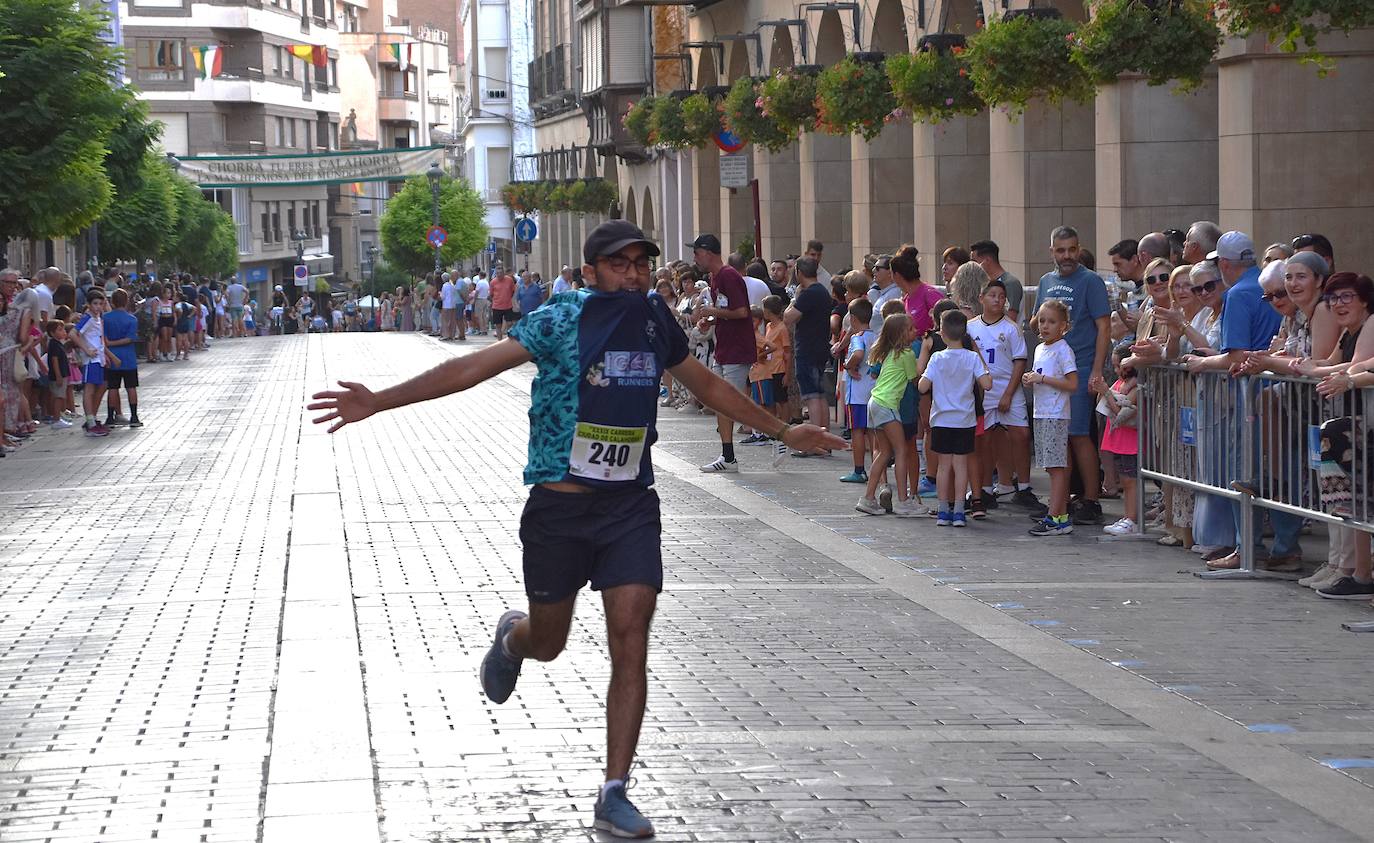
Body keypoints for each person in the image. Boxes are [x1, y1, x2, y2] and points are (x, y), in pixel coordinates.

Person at [307, 220, 843, 839]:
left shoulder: (655, 319)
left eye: (641, 264)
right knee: (550, 640)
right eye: (619, 264)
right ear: (591, 272)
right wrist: (380, 400)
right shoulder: (561, 318)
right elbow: (473, 366)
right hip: (560, 510)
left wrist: (783, 430)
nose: (634, 275)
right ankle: (514, 641)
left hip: (629, 507)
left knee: (631, 635)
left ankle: (614, 791)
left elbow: (705, 383)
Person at [1035, 226, 1110, 525]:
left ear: (1079, 249)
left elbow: (1103, 327)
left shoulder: (1091, 281)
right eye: (1061, 250)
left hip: (1079, 367)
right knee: (1059, 437)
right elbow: (1037, 319)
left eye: (1072, 249)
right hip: (1049, 375)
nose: (1067, 255)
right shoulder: (1045, 281)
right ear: (1052, 251)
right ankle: (1060, 501)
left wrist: (1096, 370)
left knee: (1078, 434)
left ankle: (1091, 499)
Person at [919, 309, 993, 527]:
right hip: (965, 420)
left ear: (942, 333)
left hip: (941, 419)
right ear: (965, 333)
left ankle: (943, 511)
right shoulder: (972, 358)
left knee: (943, 466)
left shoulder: (936, 358)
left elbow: (922, 386)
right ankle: (960, 511)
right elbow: (987, 384)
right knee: (961, 466)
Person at [690, 234, 757, 473]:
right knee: (722, 402)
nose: (695, 258)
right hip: (725, 349)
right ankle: (727, 456)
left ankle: (777, 435)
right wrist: (711, 320)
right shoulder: (716, 277)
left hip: (736, 350)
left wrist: (713, 313)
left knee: (732, 403)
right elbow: (727, 311)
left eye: (696, 253)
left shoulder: (728, 275)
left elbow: (741, 312)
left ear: (708, 253)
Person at [968, 278, 1033, 507]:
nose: (997, 300)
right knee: (983, 439)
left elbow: (1019, 361)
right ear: (981, 298)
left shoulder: (1011, 328)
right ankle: (985, 489)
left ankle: (1023, 488)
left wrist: (1008, 394)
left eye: (1002, 296)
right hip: (983, 392)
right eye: (992, 295)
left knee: (1021, 435)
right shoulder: (970, 327)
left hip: (1008, 388)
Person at [857, 313, 920, 516]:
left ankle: (868, 498)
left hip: (875, 402)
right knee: (901, 451)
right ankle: (903, 501)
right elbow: (915, 379)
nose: (916, 331)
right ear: (901, 333)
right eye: (911, 329)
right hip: (888, 405)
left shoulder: (891, 352)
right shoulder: (907, 354)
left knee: (884, 452)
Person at [1025, 299, 1078, 536]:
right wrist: (1032, 378)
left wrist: (1043, 379)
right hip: (1041, 412)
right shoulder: (1040, 349)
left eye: (1052, 322)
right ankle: (1059, 515)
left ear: (1063, 326)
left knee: (1056, 467)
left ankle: (1055, 516)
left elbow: (1072, 383)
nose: (1045, 326)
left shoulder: (1063, 350)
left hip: (1055, 414)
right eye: (1042, 321)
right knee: (1050, 466)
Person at [783, 257, 834, 458]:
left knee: (811, 396)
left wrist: (794, 298)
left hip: (807, 349)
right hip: (820, 347)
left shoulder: (808, 294)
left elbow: (788, 318)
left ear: (799, 272)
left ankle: (813, 443)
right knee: (820, 395)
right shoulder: (822, 291)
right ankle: (825, 441)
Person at [1095, 345, 1140, 535]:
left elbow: (1121, 413)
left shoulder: (1136, 387)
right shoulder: (1120, 383)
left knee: (1130, 481)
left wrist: (1106, 392)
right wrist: (1103, 390)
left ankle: (1132, 519)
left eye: (1118, 366)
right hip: (1119, 439)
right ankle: (1128, 517)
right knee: (1125, 479)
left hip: (1129, 441)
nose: (1115, 370)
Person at [840, 298, 876, 483]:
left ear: (853, 318)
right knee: (873, 433)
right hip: (874, 391)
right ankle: (878, 470)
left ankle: (859, 469)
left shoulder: (857, 337)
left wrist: (848, 365)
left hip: (857, 394)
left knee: (857, 431)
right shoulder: (876, 337)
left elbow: (858, 353)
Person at [72, 289, 116, 437]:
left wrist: (105, 355)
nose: (98, 307)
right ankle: (90, 422)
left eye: (101, 304)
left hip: (98, 358)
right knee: (89, 389)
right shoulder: (88, 318)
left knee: (102, 385)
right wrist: (86, 349)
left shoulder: (97, 318)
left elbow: (99, 339)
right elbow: (73, 333)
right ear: (89, 304)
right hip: (91, 359)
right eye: (95, 303)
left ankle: (92, 418)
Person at [102, 289, 142, 428]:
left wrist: (110, 343)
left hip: (111, 357)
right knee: (131, 387)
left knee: (113, 387)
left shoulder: (105, 318)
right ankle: (134, 416)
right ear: (126, 302)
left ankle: (110, 417)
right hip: (128, 357)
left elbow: (103, 338)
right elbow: (131, 338)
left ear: (112, 302)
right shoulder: (132, 319)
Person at [969, 240, 1024, 324]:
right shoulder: (983, 283)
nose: (972, 266)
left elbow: (1011, 318)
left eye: (975, 262)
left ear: (987, 260)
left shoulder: (1010, 283)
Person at [44, 320, 72, 429]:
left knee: (60, 396)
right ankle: (56, 419)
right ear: (52, 333)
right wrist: (58, 375)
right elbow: (54, 360)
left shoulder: (58, 343)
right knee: (58, 397)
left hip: (62, 374)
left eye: (63, 329)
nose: (63, 332)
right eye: (60, 330)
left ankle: (59, 416)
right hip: (57, 376)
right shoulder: (54, 345)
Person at [490, 268, 517, 340]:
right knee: (498, 325)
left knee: (509, 323)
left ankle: (509, 339)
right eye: (497, 273)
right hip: (497, 306)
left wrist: (508, 297)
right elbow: (491, 294)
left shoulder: (509, 280)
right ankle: (500, 340)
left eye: (501, 273)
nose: (499, 275)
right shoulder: (493, 282)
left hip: (508, 305)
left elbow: (513, 290)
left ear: (503, 273)